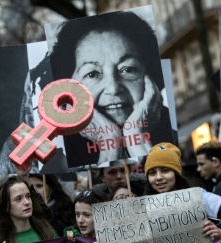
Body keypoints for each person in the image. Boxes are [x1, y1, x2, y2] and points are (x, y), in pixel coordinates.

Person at [49, 9, 175, 166]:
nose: (114, 88)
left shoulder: (177, 136)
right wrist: (110, 144)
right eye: (92, 74)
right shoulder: (57, 154)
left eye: (127, 69)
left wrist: (135, 135)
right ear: (68, 87)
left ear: (149, 76)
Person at [0, 176, 57, 243]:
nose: (27, 202)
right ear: (6, 205)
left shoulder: (47, 233)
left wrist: (69, 241)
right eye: (18, 199)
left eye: (28, 196)